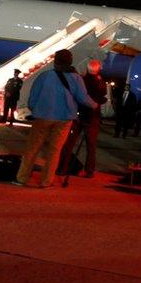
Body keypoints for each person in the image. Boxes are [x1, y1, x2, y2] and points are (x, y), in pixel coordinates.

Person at [15, 49, 96, 188]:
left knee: (32, 148)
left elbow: (32, 98)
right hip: (64, 119)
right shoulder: (76, 78)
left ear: (55, 61)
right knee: (54, 150)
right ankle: (46, 181)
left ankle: (22, 177)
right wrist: (95, 105)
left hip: (42, 117)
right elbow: (83, 98)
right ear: (70, 61)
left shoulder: (45, 76)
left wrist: (36, 109)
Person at [56, 59, 108, 178]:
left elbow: (76, 95)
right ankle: (89, 170)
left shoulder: (81, 80)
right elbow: (102, 98)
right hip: (93, 116)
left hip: (78, 115)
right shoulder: (100, 82)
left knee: (69, 143)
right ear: (98, 69)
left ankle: (62, 168)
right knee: (91, 145)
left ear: (87, 68)